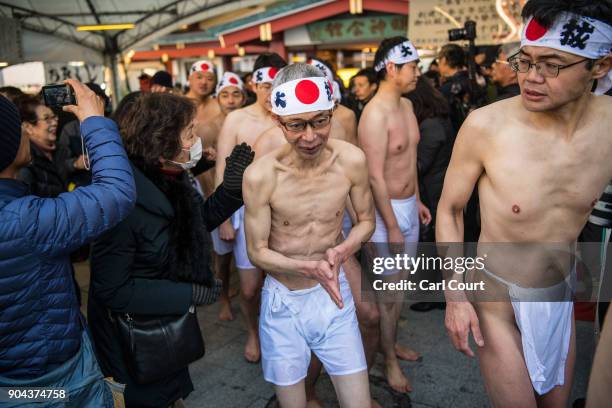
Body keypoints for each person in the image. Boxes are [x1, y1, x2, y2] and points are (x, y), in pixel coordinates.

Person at [436, 0, 612, 406]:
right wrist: (455, 296)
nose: (531, 78)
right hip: (497, 298)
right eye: (525, 61)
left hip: (560, 291)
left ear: (599, 67)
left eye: (551, 65)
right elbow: (450, 209)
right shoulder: (486, 126)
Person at [88, 92, 254, 407]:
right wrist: (188, 294)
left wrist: (230, 191)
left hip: (162, 331)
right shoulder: (121, 200)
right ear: (162, 139)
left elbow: (188, 227)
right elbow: (111, 289)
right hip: (131, 341)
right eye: (190, 131)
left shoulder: (167, 176)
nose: (196, 139)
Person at [243, 62, 375, 408]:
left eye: (320, 121)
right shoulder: (261, 176)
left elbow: (366, 220)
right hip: (283, 302)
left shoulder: (352, 160)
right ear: (277, 120)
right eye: (296, 126)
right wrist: (306, 267)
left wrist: (343, 249)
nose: (311, 137)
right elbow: (256, 251)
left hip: (334, 297)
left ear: (332, 112)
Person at [0, 80, 136, 407]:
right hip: (49, 381)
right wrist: (93, 120)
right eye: (16, 127)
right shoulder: (23, 221)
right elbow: (116, 193)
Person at [359, 36, 432, 393]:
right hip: (383, 211)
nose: (418, 73)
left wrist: (416, 199)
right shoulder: (374, 114)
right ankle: (386, 360)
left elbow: (410, 161)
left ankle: (392, 343)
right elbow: (373, 175)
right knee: (387, 292)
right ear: (391, 68)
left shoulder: (407, 106)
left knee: (399, 289)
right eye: (413, 67)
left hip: (405, 207)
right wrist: (390, 225)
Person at [215, 52, 287, 363]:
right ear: (254, 84)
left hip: (285, 211)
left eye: (277, 85)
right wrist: (224, 218)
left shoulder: (291, 116)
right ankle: (253, 332)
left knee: (285, 279)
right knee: (248, 288)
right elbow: (222, 169)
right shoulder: (237, 119)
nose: (271, 92)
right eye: (266, 85)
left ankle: (281, 334)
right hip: (246, 209)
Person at [199, 71, 247, 321]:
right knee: (223, 258)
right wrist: (214, 203)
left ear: (243, 97)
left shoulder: (249, 121)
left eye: (235, 94)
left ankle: (240, 293)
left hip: (244, 199)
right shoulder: (208, 127)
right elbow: (205, 169)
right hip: (217, 197)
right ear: (217, 98)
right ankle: (224, 298)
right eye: (224, 95)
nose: (230, 99)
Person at [405, 76, 455, 313]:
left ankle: (435, 295)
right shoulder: (439, 120)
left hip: (436, 190)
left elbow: (420, 163)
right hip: (438, 187)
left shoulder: (431, 126)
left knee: (435, 244)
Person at [57, 82, 111, 190]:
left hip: (107, 185)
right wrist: (75, 163)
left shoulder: (111, 126)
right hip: (80, 187)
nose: (95, 106)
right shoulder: (70, 129)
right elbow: (60, 165)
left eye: (98, 101)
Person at [185, 59, 221, 127]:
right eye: (199, 77)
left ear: (215, 83)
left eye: (209, 79)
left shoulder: (220, 105)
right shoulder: (178, 105)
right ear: (189, 79)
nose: (204, 82)